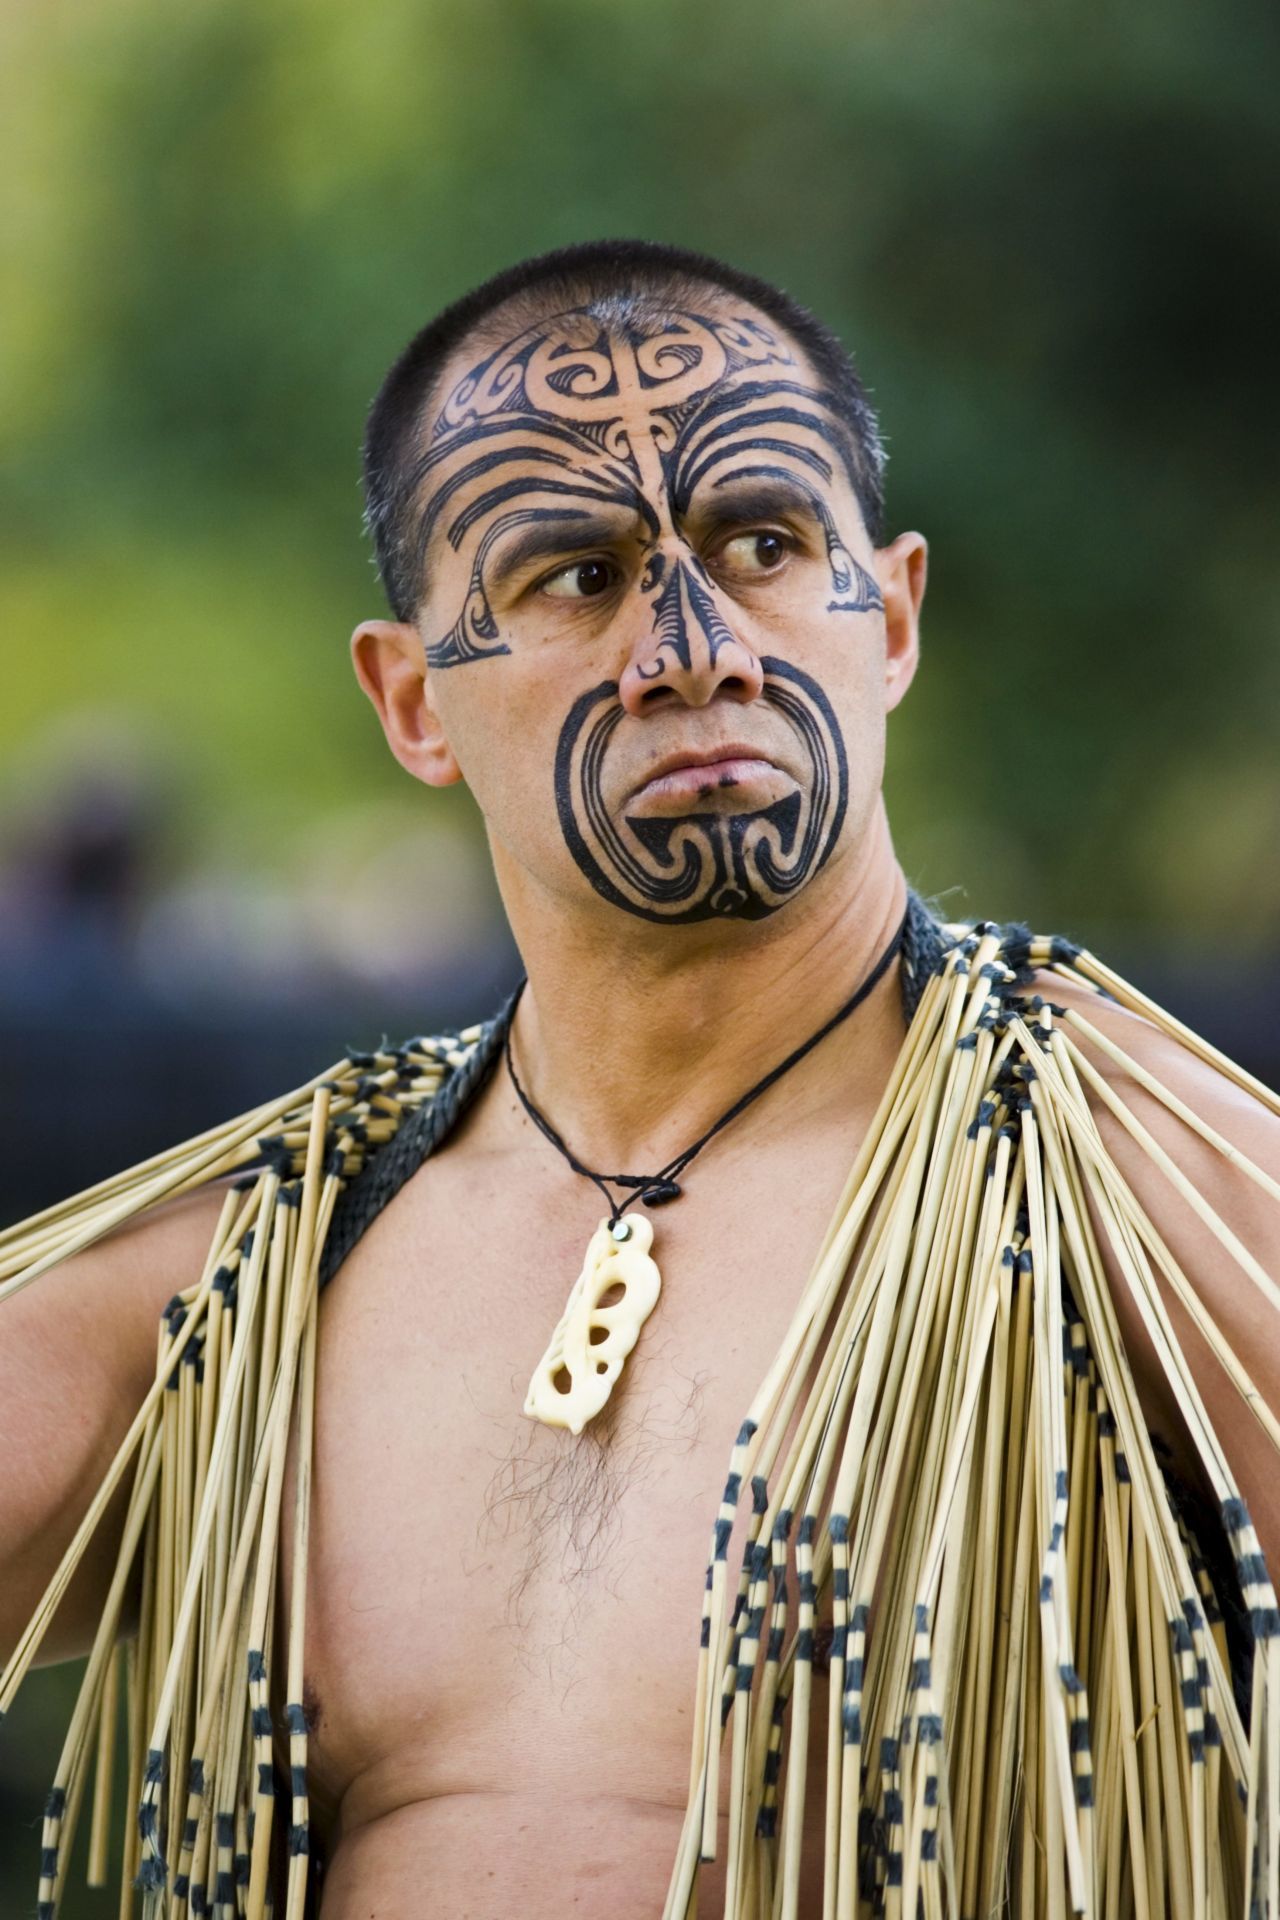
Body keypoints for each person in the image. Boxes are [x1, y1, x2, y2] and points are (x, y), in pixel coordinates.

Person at [2, 238, 1277, 1920]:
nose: (693, 647)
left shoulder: (1148, 1181)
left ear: (888, 618)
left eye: (763, 546)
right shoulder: (256, 1280)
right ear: (413, 702)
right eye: (573, 575)